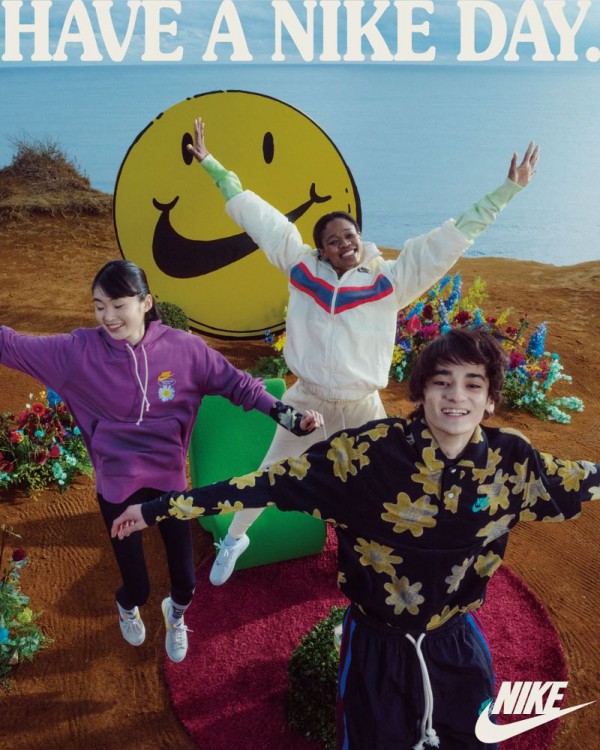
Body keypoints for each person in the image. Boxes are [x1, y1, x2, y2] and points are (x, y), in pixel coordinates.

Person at [111, 329, 598, 750]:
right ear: (421, 392)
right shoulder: (363, 457)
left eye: (474, 384)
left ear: (490, 399)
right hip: (374, 651)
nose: (457, 396)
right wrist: (155, 508)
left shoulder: (512, 463)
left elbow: (581, 479)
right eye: (442, 381)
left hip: (457, 647)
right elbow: (263, 485)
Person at [186, 117, 540, 585]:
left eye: (349, 236)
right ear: (321, 250)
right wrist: (212, 164)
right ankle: (235, 540)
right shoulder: (300, 268)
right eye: (333, 241)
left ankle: (394, 559)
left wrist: (507, 190)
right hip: (307, 400)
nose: (344, 244)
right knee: (271, 473)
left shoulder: (389, 281)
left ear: (360, 238)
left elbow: (449, 240)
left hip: (361, 406)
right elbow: (258, 217)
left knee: (385, 484)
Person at [0, 259, 322, 663]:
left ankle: (176, 615)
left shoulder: (185, 350)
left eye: (118, 305)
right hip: (117, 485)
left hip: (169, 482)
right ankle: (127, 606)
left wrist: (288, 416)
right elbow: (10, 344)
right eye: (99, 306)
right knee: (137, 587)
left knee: (185, 583)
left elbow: (239, 385)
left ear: (146, 302)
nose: (108, 316)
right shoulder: (77, 352)